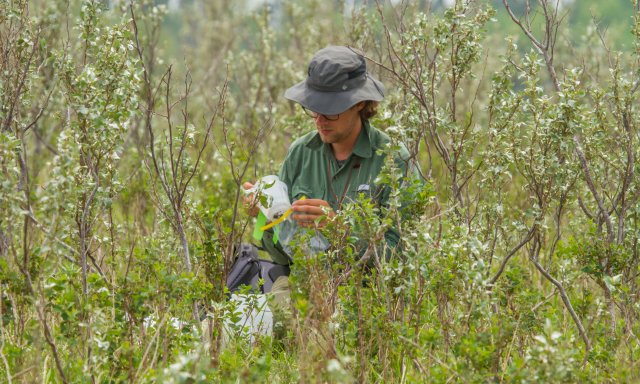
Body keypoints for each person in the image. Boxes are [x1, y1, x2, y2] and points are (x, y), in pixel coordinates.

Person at [242, 45, 418, 336]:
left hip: (365, 303)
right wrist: (264, 215)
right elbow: (282, 257)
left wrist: (339, 230)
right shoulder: (301, 153)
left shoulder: (392, 159)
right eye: (314, 108)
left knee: (321, 343)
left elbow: (402, 259)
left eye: (331, 111)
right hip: (301, 294)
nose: (319, 119)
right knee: (234, 328)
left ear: (361, 104)